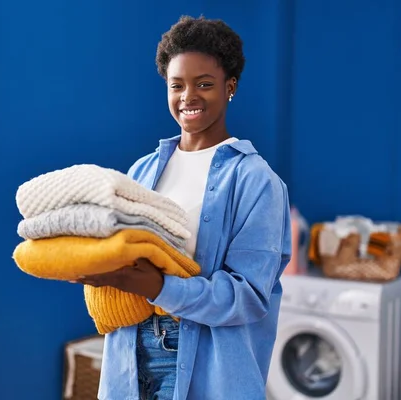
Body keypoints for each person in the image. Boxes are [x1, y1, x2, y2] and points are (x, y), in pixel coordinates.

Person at [76, 15, 291, 400]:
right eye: (177, 86)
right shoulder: (142, 171)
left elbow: (249, 296)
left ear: (230, 87)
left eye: (204, 84)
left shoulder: (256, 181)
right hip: (128, 352)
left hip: (205, 361)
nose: (188, 97)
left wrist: (160, 287)